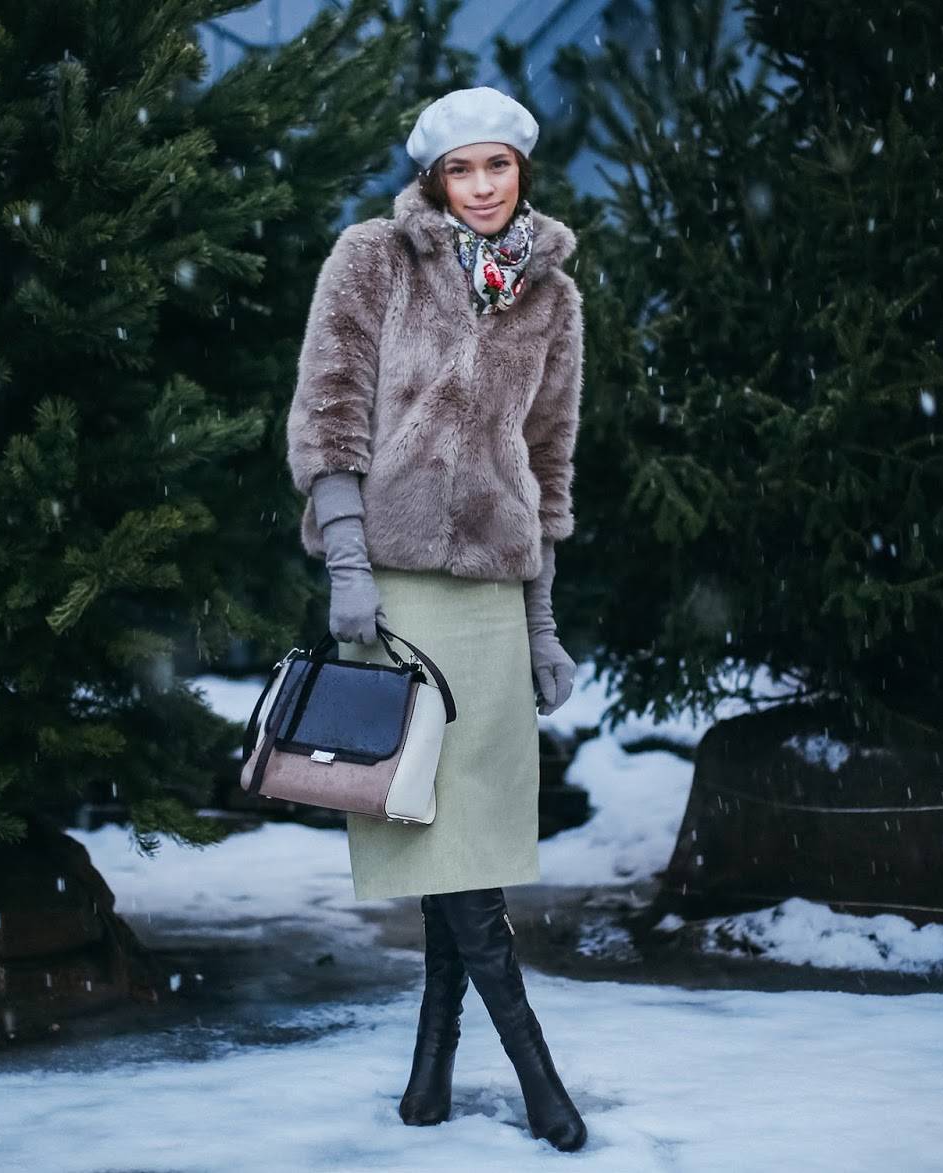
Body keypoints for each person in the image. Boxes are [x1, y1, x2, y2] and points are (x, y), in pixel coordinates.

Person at [284, 86, 587, 1152]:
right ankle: (538, 1075)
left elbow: (547, 466)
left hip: (495, 601)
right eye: (462, 169)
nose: (483, 186)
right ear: (433, 178)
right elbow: (328, 417)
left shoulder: (553, 296)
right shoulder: (372, 260)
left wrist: (541, 624)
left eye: (498, 165)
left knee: (462, 844)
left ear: (522, 171)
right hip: (397, 591)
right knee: (430, 825)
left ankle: (432, 1072)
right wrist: (347, 566)